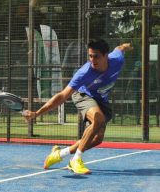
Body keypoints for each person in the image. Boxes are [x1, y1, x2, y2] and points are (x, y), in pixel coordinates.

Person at [23, 39, 133, 175]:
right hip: (82, 94)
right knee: (98, 119)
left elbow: (119, 48)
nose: (92, 60)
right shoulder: (84, 72)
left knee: (97, 139)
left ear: (105, 56)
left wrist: (125, 46)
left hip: (101, 100)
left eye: (96, 56)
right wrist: (37, 113)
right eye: (90, 56)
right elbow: (62, 95)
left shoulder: (117, 59)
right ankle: (76, 160)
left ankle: (59, 154)